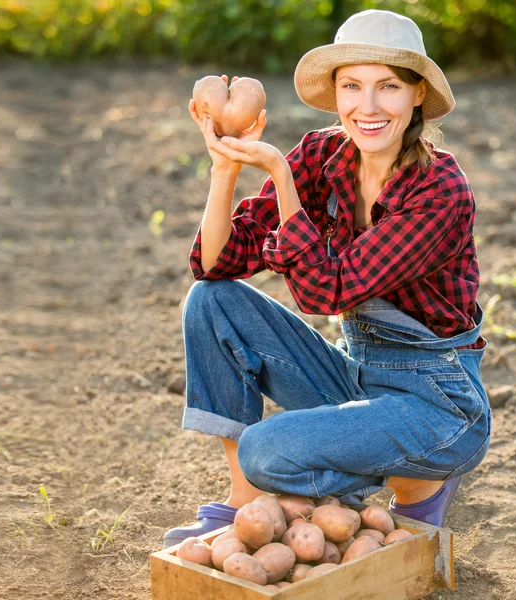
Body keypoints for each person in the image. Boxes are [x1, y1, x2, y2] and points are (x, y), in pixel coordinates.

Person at [163, 9, 491, 549]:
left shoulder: (440, 191)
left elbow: (327, 292)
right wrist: (224, 168)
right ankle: (244, 500)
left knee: (268, 451)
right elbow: (216, 264)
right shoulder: (322, 155)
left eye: (387, 86)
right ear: (336, 94)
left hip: (436, 402)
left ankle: (421, 474)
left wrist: (280, 178)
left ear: (416, 97)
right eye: (352, 86)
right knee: (210, 300)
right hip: (357, 379)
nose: (368, 106)